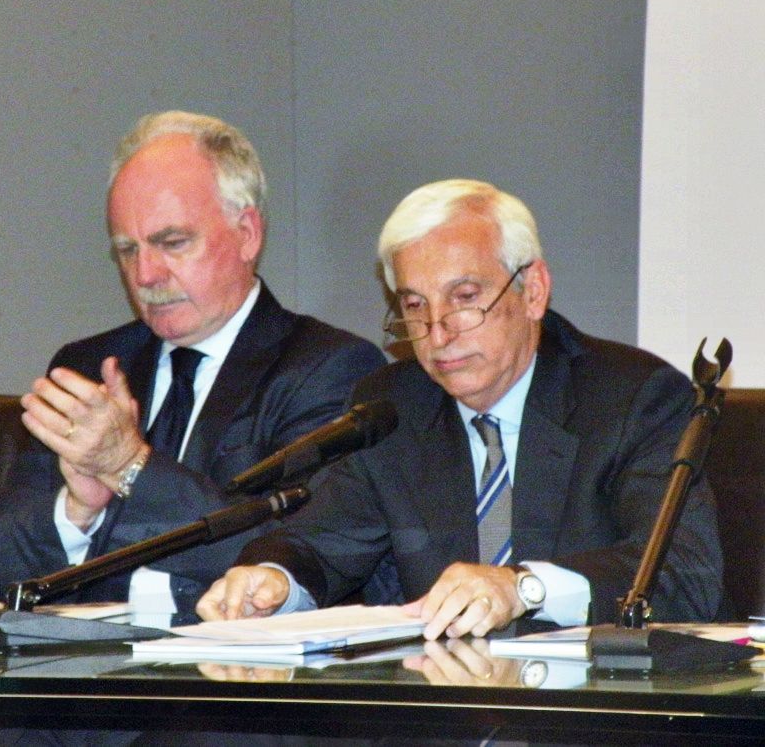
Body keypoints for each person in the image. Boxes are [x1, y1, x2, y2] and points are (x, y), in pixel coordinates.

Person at [197, 178, 724, 639]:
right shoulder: (393, 408)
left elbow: (685, 574)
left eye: (465, 297)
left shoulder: (634, 398)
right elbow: (321, 543)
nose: (438, 333)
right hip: (446, 703)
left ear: (533, 291)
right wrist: (274, 580)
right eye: (415, 306)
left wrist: (524, 587)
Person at [0, 111, 385, 615]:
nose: (145, 274)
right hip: (85, 662)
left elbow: (300, 555)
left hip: (223, 662)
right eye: (127, 250)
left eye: (173, 242)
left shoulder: (328, 368)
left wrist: (129, 466)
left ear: (247, 233)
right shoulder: (89, 368)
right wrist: (75, 512)